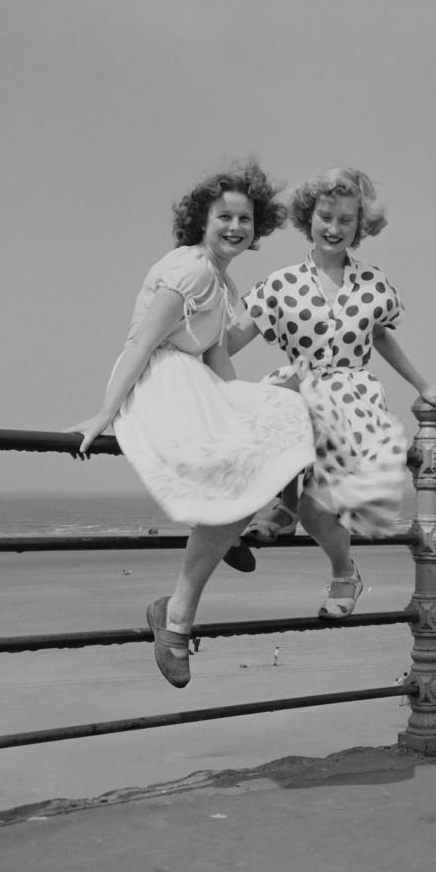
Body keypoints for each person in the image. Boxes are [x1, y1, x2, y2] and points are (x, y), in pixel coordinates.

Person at [67, 162, 314, 689]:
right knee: (239, 462)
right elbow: (140, 342)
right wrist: (103, 414)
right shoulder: (192, 270)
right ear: (201, 220)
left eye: (245, 220)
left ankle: (237, 525)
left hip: (194, 384)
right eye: (224, 216)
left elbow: (220, 361)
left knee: (285, 410)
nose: (235, 227)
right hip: (158, 383)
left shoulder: (221, 282)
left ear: (257, 228)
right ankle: (178, 614)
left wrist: (250, 406)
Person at [230, 168, 436, 617]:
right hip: (298, 391)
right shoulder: (281, 283)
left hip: (353, 398)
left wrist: (423, 384)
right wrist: (180, 327)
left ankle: (333, 563)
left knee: (319, 513)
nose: (333, 228)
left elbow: (382, 338)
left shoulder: (374, 284)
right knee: (271, 410)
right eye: (325, 216)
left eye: (346, 220)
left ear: (360, 226)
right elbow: (233, 338)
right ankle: (282, 508)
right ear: (308, 217)